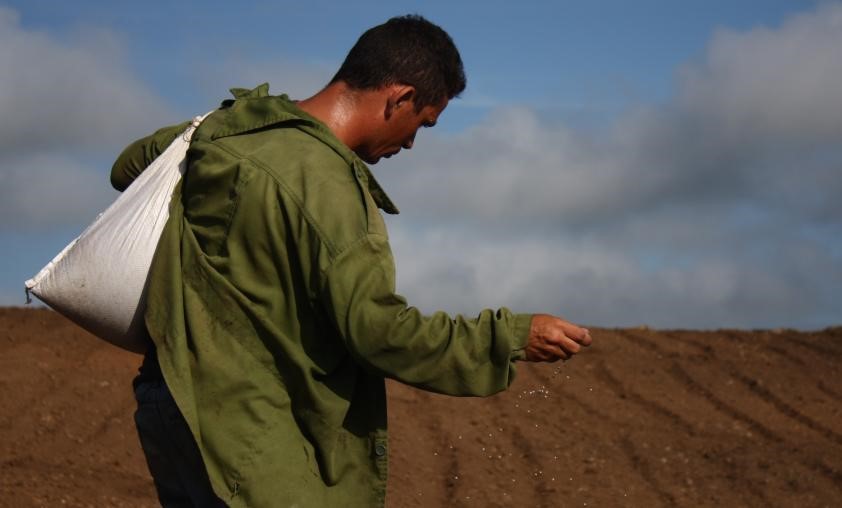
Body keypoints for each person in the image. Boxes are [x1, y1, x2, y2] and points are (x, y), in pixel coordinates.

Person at [111, 14, 592, 508]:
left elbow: (128, 166)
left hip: (175, 411)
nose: (411, 143)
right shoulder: (329, 187)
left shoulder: (229, 131)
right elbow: (379, 333)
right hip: (253, 441)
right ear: (400, 98)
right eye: (422, 123)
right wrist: (510, 337)